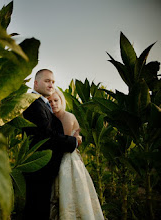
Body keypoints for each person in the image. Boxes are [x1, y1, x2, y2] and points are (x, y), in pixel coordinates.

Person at [22, 69, 81, 219]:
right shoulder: (33, 104)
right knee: (37, 210)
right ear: (36, 83)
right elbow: (46, 137)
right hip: (39, 169)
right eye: (47, 81)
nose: (51, 84)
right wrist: (73, 141)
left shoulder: (42, 104)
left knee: (41, 209)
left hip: (45, 168)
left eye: (53, 82)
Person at [48, 89, 104, 220]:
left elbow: (65, 142)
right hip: (59, 157)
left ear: (61, 101)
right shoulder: (52, 118)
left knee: (70, 193)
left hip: (68, 160)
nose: (53, 104)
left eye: (56, 100)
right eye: (50, 101)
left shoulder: (67, 116)